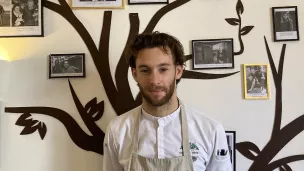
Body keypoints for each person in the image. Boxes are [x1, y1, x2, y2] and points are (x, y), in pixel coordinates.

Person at [103, 32, 232, 171]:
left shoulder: (210, 130)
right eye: (145, 70)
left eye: (163, 69)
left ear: (178, 71)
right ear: (135, 74)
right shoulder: (117, 130)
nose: (154, 81)